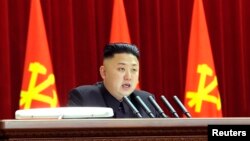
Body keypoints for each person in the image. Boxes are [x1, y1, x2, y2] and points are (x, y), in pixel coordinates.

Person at [67, 43, 159, 118]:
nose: (128, 77)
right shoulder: (84, 98)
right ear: (104, 72)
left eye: (134, 70)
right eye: (121, 69)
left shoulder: (146, 100)